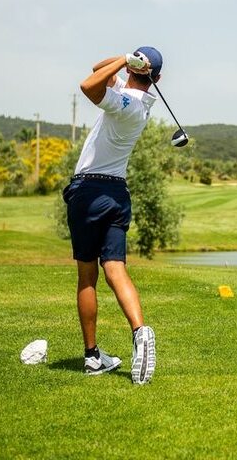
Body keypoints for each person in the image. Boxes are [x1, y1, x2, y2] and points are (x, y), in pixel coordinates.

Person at [62, 47, 163, 384]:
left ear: (133, 71)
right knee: (116, 268)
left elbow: (87, 85)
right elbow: (97, 69)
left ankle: (92, 356)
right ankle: (139, 332)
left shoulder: (127, 104)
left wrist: (123, 59)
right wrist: (124, 58)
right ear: (157, 78)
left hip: (89, 191)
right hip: (117, 193)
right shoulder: (138, 101)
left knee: (87, 276)